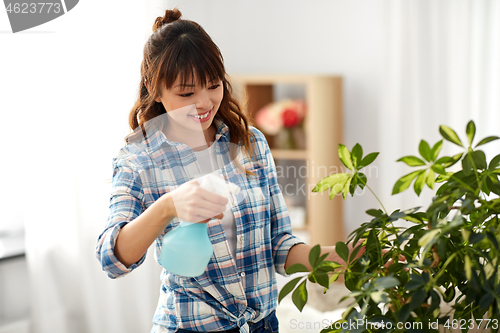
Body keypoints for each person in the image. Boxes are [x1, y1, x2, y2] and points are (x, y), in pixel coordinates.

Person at [95, 8, 350, 333]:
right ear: (154, 88)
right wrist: (168, 206)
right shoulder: (139, 159)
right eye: (186, 93)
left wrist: (342, 257)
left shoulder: (250, 142)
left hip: (263, 325)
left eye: (213, 86)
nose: (203, 103)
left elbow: (278, 244)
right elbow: (111, 259)